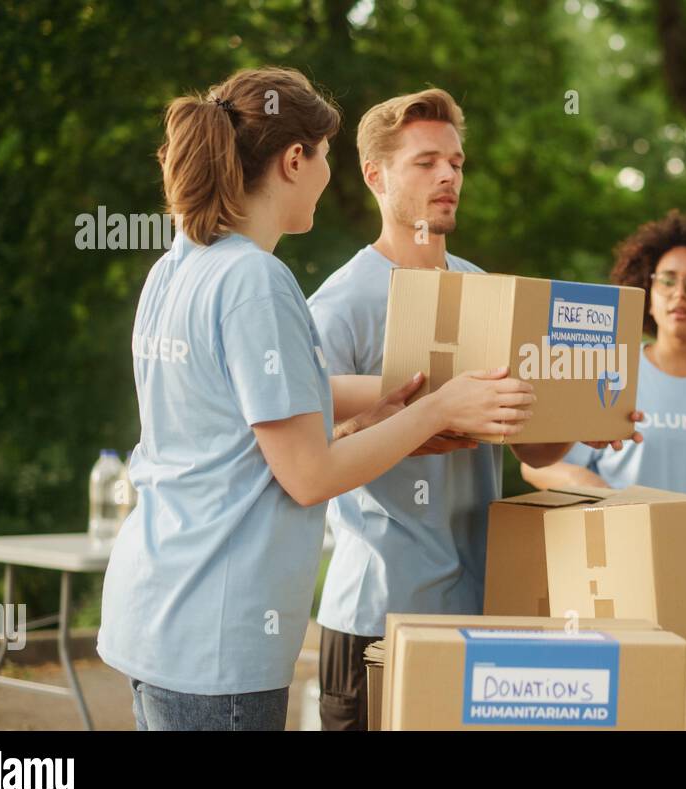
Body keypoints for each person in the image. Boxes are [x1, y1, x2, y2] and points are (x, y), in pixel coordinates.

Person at [97, 69, 534, 731]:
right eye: (327, 157)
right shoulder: (257, 281)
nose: (331, 179)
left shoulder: (178, 265)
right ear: (295, 161)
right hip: (218, 635)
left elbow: (251, 418)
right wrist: (436, 411)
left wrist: (377, 414)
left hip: (155, 611)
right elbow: (308, 477)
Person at [307, 88, 640, 731]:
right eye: (426, 162)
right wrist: (410, 424)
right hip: (377, 618)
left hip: (482, 611)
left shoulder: (485, 289)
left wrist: (593, 417)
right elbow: (310, 457)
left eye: (457, 163)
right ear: (375, 175)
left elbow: (529, 446)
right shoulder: (338, 306)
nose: (448, 177)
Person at [522, 205, 686, 499]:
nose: (680, 293)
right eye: (667, 280)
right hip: (623, 540)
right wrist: (588, 484)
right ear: (648, 296)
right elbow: (535, 465)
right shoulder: (607, 368)